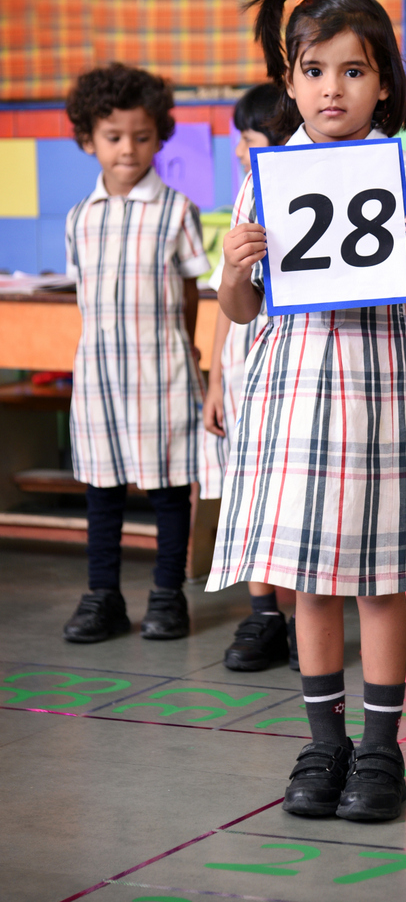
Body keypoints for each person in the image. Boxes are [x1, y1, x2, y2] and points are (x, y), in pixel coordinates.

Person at [206, 0, 406, 821]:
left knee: (379, 582)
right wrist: (235, 269)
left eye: (354, 71)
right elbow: (240, 309)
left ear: (385, 84)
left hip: (383, 398)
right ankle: (325, 744)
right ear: (289, 83)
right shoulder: (265, 179)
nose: (333, 88)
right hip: (294, 402)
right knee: (310, 584)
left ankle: (383, 749)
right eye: (314, 70)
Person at [62, 62, 209, 643]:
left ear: (159, 136)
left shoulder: (176, 212)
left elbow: (193, 293)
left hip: (163, 373)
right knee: (102, 491)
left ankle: (168, 596)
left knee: (170, 491)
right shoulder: (80, 219)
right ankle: (103, 597)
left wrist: (186, 352)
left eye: (142, 137)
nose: (128, 149)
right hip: (98, 378)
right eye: (113, 137)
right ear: (87, 139)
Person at [201, 82, 299, 672]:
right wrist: (214, 380)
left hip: (288, 375)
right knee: (252, 496)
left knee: (288, 500)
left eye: (250, 139)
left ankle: (294, 618)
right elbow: (224, 300)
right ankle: (263, 615)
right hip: (243, 376)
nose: (241, 151)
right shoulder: (248, 198)